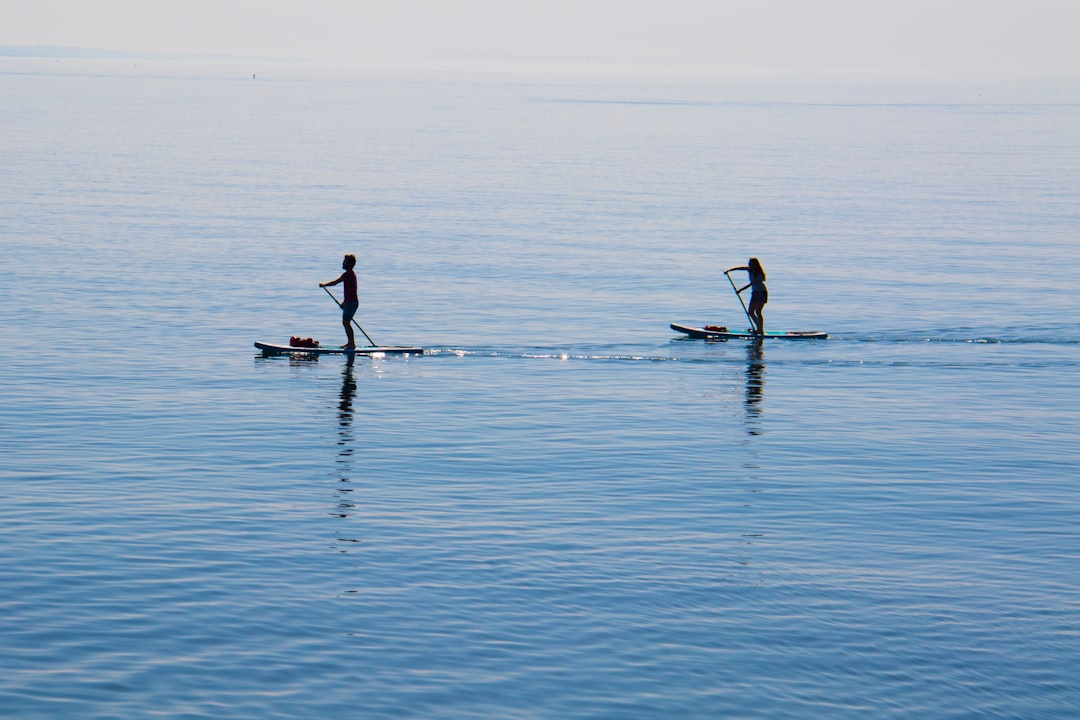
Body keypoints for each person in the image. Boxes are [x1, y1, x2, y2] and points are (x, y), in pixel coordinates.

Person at [320, 254, 359, 349]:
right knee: (346, 322)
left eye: (345, 262)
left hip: (351, 302)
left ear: (349, 264)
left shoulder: (347, 275)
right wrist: (344, 302)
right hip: (351, 302)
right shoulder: (352, 274)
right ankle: (350, 342)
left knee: (346, 322)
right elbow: (350, 291)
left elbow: (336, 282)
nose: (342, 263)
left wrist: (324, 285)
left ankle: (351, 344)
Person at [727, 257, 767, 335]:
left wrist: (740, 290)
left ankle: (760, 330)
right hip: (755, 293)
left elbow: (752, 284)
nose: (749, 265)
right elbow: (741, 268)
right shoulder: (750, 270)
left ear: (755, 265)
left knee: (758, 311)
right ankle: (759, 328)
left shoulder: (759, 274)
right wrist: (730, 270)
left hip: (761, 292)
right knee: (751, 312)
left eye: (750, 264)